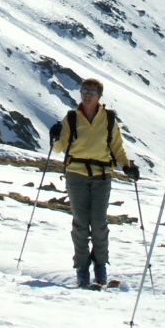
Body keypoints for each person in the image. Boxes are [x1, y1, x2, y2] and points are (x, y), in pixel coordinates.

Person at [49, 77, 139, 288]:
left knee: (98, 223)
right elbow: (60, 147)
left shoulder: (108, 119)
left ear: (99, 96)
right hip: (76, 174)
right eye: (84, 91)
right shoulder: (71, 118)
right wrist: (56, 137)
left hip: (101, 174)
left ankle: (100, 266)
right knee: (81, 223)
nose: (87, 95)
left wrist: (127, 166)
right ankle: (82, 268)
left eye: (92, 92)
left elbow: (117, 146)